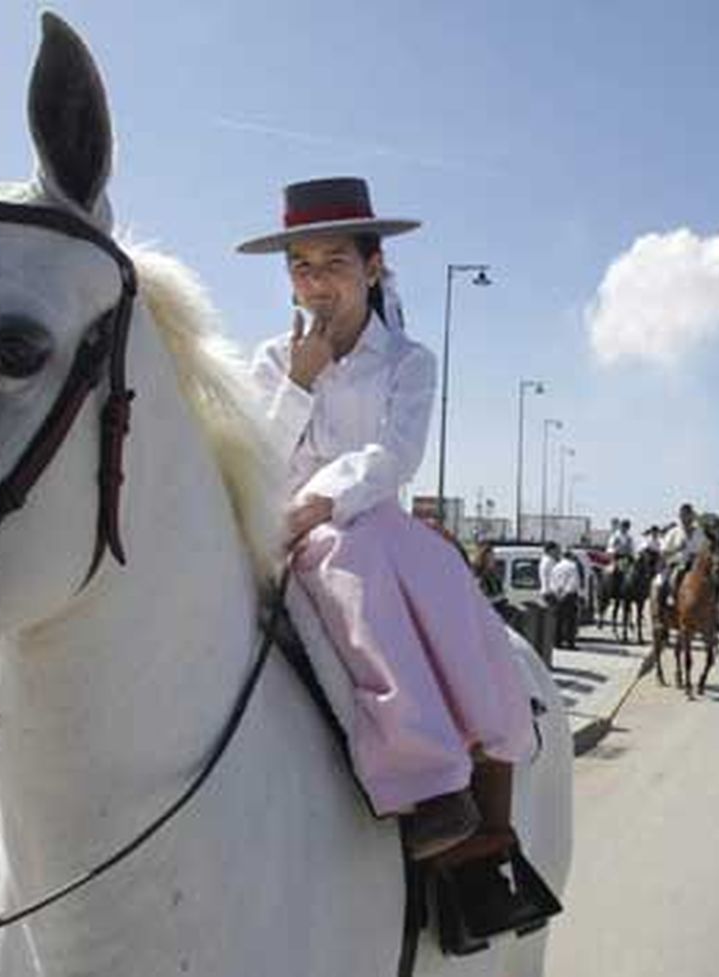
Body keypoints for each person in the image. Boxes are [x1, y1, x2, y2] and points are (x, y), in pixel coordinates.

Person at [241, 177, 535, 866]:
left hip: (370, 534)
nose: (316, 284)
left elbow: (393, 457)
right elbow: (252, 458)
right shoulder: (270, 362)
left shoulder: (410, 362)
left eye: (335, 263)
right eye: (301, 267)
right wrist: (299, 383)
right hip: (275, 535)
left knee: (349, 551)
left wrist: (319, 504)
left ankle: (434, 779)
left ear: (373, 268)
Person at [551, 549, 583, 649]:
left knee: (558, 620)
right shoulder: (573, 566)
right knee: (570, 621)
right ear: (570, 556)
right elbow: (574, 582)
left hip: (557, 595)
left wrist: (558, 593)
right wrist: (566, 592)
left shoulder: (556, 566)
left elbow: (552, 581)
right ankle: (570, 643)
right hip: (569, 596)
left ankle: (557, 642)